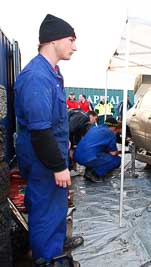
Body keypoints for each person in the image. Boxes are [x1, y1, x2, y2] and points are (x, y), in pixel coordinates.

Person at [13, 14, 82, 266]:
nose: (75, 47)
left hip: (49, 156)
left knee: (53, 208)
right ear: (53, 41)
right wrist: (59, 166)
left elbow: (54, 122)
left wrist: (64, 149)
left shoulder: (52, 73)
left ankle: (53, 248)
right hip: (43, 160)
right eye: (71, 40)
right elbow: (41, 132)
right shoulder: (37, 77)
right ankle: (48, 260)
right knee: (46, 211)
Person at [73, 117, 121, 183]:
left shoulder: (94, 128)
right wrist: (118, 152)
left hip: (77, 156)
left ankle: (89, 170)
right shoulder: (110, 133)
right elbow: (113, 153)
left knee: (98, 154)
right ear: (113, 127)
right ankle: (95, 174)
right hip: (87, 158)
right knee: (116, 160)